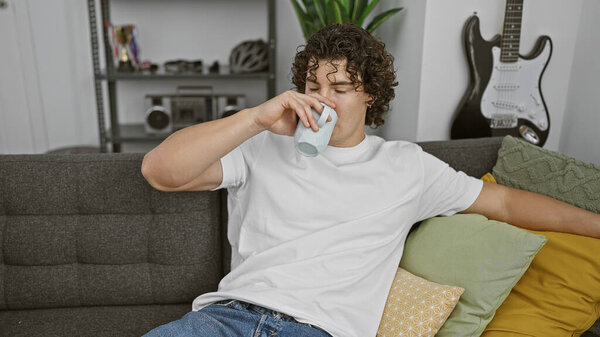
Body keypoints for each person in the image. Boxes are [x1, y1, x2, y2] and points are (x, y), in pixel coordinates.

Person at [140, 23, 600, 337]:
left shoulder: (407, 167)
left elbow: (503, 205)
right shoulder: (263, 144)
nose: (324, 101)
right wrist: (255, 119)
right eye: (314, 87)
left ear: (370, 96)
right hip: (228, 319)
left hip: (322, 330)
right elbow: (159, 172)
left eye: (340, 90)